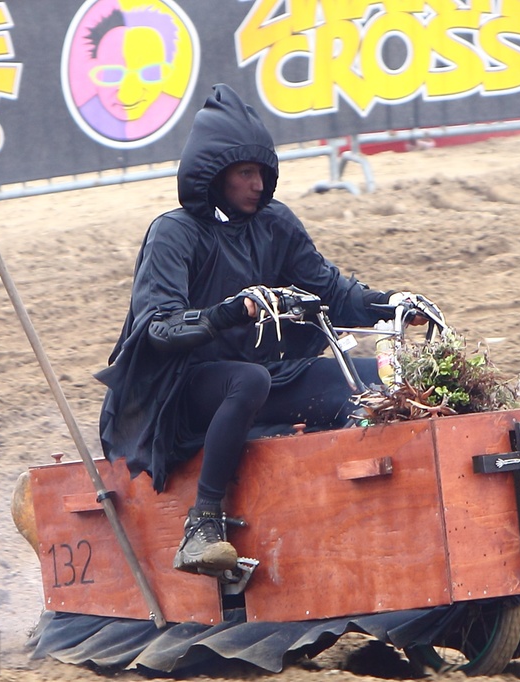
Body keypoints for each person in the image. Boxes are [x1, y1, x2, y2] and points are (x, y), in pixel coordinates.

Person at [95, 84, 427, 577]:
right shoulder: (174, 233)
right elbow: (159, 327)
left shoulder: (275, 223)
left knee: (367, 384)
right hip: (179, 394)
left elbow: (333, 291)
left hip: (268, 373)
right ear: (214, 175)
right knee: (248, 380)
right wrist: (227, 313)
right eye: (245, 173)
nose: (257, 183)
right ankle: (203, 524)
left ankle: (348, 520)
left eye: (262, 173)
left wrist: (393, 302)